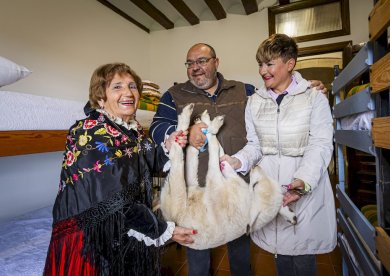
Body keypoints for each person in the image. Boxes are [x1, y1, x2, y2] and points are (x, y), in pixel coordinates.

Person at [150, 43, 327, 276]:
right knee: (198, 257)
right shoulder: (173, 95)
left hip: (238, 187)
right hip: (195, 193)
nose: (195, 68)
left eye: (202, 61)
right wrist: (183, 131)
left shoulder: (245, 90)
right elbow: (157, 127)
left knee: (240, 254)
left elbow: (276, 96)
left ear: (216, 62)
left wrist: (306, 88)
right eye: (190, 63)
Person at [44, 63, 195, 276]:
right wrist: (164, 230)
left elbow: (146, 165)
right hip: (93, 241)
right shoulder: (88, 132)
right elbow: (116, 201)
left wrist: (169, 145)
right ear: (100, 97)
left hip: (125, 232)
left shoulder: (132, 131)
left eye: (133, 86)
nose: (128, 93)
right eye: (117, 87)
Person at [248, 34, 337, 276]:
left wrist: (301, 183)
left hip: (302, 186)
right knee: (279, 251)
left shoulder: (313, 97)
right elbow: (254, 144)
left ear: (290, 64)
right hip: (271, 187)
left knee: (301, 255)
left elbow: (320, 143)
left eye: (269, 63)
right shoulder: (255, 101)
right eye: (260, 64)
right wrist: (238, 162)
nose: (262, 70)